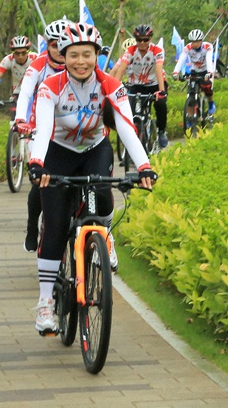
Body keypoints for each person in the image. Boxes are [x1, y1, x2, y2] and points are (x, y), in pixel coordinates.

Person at [27, 22, 156, 336]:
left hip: (95, 150)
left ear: (97, 55)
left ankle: (104, 235)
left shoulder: (111, 84)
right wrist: (37, 162)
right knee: (55, 227)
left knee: (104, 192)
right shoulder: (50, 86)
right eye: (73, 55)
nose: (80, 61)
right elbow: (43, 128)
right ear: (64, 55)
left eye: (87, 54)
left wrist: (144, 166)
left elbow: (125, 126)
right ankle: (46, 303)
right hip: (58, 152)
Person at [14, 17, 71, 253]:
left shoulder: (78, 63)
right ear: (47, 46)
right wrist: (20, 119)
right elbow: (26, 93)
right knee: (39, 184)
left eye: (63, 44)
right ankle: (31, 227)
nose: (59, 50)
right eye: (54, 45)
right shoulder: (38, 64)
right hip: (41, 131)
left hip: (72, 133)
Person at [110, 23, 169, 149]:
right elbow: (120, 69)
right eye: (139, 40)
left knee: (160, 104)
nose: (142, 43)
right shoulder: (131, 50)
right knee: (129, 111)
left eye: (145, 40)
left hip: (155, 84)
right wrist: (113, 88)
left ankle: (161, 131)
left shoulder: (157, 51)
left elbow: (159, 69)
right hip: (137, 86)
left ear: (150, 39)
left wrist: (161, 91)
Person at [174, 29, 215, 119]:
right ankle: (190, 116)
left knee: (207, 87)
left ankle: (211, 103)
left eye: (196, 42)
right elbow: (181, 60)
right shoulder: (188, 47)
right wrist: (176, 72)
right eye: (193, 42)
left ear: (201, 41)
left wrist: (209, 73)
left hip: (206, 70)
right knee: (191, 92)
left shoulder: (208, 46)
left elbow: (208, 60)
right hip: (195, 71)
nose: (194, 44)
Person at [0, 36, 37, 103]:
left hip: (35, 91)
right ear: (13, 53)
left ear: (28, 51)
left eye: (23, 53)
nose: (20, 56)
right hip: (19, 92)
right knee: (15, 111)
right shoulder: (8, 60)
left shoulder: (36, 58)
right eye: (17, 53)